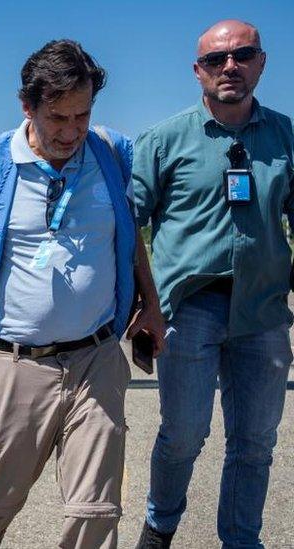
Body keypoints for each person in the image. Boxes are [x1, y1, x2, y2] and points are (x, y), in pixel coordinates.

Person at [0, 40, 165, 549]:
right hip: (17, 361)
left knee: (97, 507)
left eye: (82, 116)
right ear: (27, 106)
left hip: (96, 357)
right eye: (57, 118)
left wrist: (149, 304)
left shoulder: (111, 152)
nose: (71, 132)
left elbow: (130, 239)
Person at [133, 20, 294, 549]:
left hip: (264, 311)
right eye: (216, 60)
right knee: (183, 436)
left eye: (243, 54)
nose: (230, 67)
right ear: (197, 71)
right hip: (189, 309)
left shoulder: (285, 137)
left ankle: (241, 539)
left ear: (262, 62)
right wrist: (140, 305)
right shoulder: (163, 140)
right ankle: (160, 525)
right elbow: (128, 227)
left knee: (255, 442)